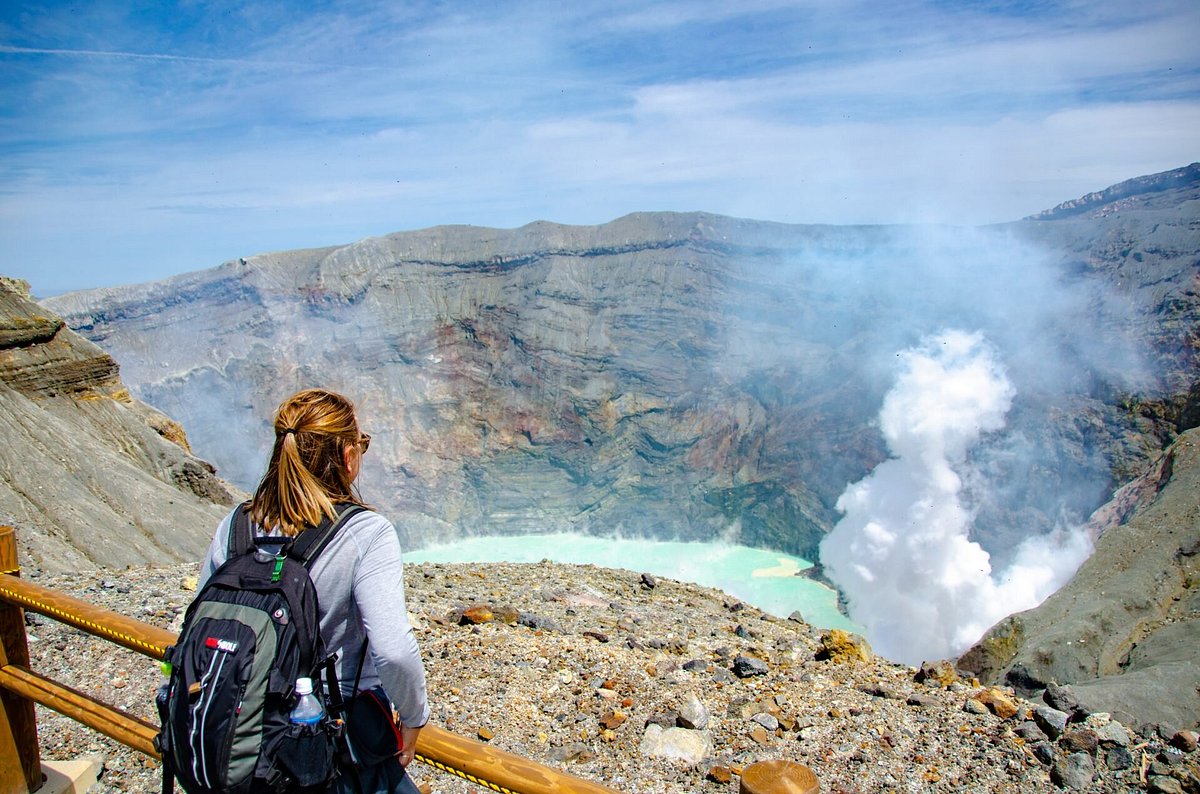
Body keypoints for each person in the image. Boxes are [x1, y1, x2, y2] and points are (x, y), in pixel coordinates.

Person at [198, 388, 429, 794]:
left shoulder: (234, 525)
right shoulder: (365, 533)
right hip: (334, 736)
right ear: (345, 454)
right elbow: (393, 649)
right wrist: (413, 717)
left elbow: (202, 626)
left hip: (241, 729)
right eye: (362, 444)